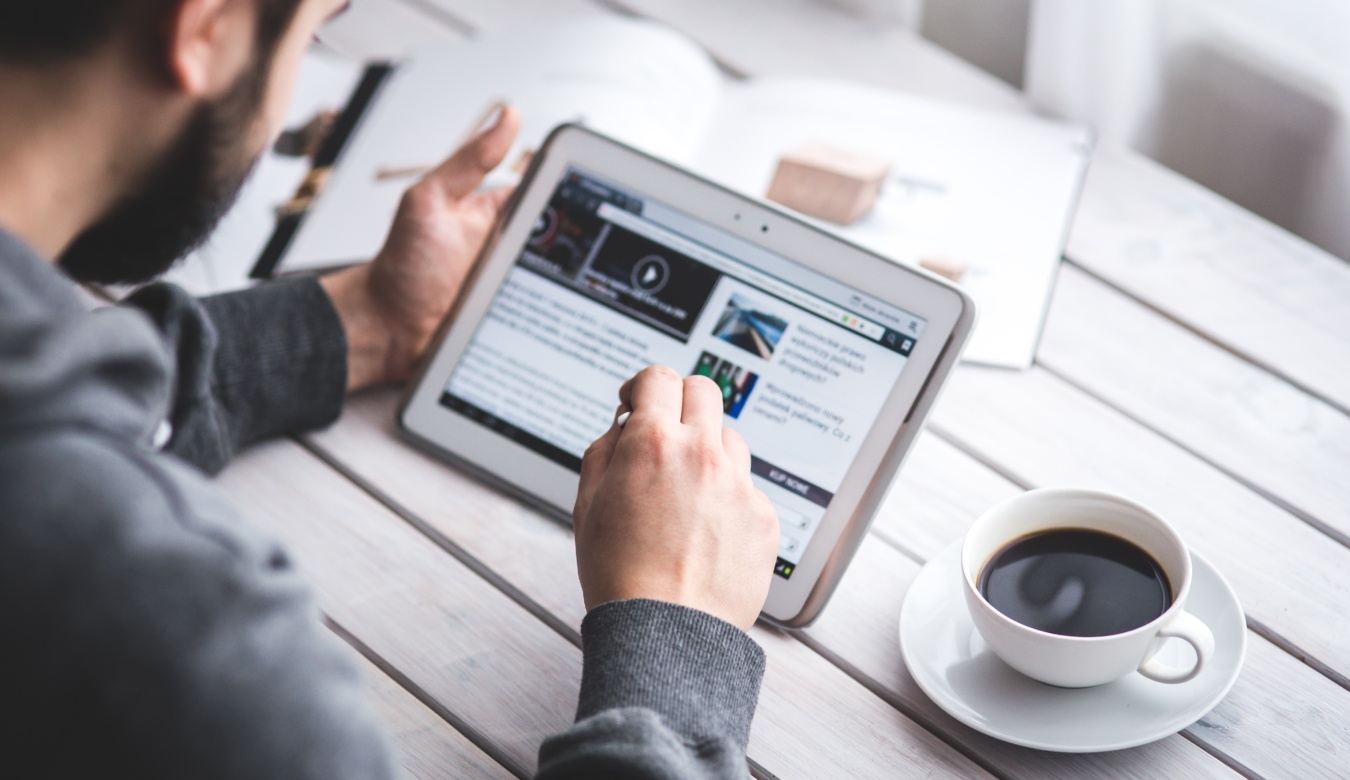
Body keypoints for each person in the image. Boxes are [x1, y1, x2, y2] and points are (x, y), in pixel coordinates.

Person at [0, 0, 781, 777]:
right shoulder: (195, 656)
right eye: (316, 29)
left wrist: (363, 321)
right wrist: (675, 645)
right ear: (206, 24)